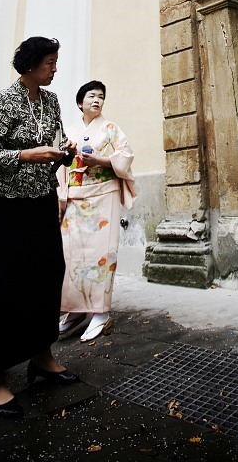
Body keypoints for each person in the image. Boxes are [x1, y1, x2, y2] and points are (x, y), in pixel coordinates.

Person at [0, 36, 80, 418]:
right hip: (9, 206)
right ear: (32, 64)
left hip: (41, 199)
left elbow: (51, 139)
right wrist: (27, 154)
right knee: (8, 284)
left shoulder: (51, 101)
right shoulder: (3, 100)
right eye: (50, 62)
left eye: (55, 61)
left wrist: (62, 149)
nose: (55, 68)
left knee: (49, 273)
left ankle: (42, 356)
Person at [56, 80, 135, 341]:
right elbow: (61, 164)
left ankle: (101, 313)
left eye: (101, 96)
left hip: (104, 194)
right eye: (91, 96)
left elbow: (125, 155)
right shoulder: (70, 130)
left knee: (103, 254)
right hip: (76, 197)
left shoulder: (111, 128)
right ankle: (76, 310)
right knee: (72, 254)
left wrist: (100, 160)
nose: (96, 100)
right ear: (80, 102)